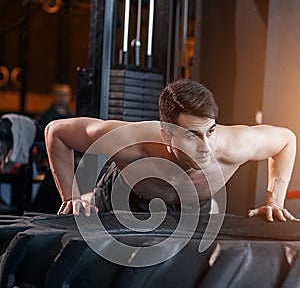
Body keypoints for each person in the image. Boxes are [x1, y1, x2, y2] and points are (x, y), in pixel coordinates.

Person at [45, 78, 298, 222]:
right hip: (126, 199)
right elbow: (57, 132)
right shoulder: (132, 143)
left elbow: (286, 139)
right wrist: (71, 197)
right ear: (167, 135)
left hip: (191, 208)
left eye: (210, 131)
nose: (205, 147)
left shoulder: (234, 145)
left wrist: (274, 201)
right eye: (191, 136)